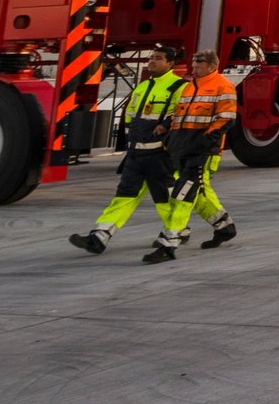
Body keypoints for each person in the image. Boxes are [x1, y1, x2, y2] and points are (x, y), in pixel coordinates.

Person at [69, 48, 184, 256]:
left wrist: (166, 130)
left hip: (159, 156)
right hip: (136, 154)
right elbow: (130, 116)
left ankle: (178, 230)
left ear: (171, 64)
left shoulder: (179, 87)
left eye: (158, 59)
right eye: (151, 58)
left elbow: (181, 114)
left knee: (164, 199)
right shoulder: (143, 86)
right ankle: (99, 236)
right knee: (123, 196)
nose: (152, 62)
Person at [154, 45, 240, 262]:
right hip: (183, 148)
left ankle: (169, 241)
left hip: (203, 151)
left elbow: (226, 118)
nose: (194, 67)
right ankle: (224, 227)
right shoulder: (189, 87)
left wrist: (205, 142)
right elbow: (178, 114)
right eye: (194, 63)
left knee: (183, 194)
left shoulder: (223, 86)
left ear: (212, 66)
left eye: (199, 64)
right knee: (200, 192)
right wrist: (168, 134)